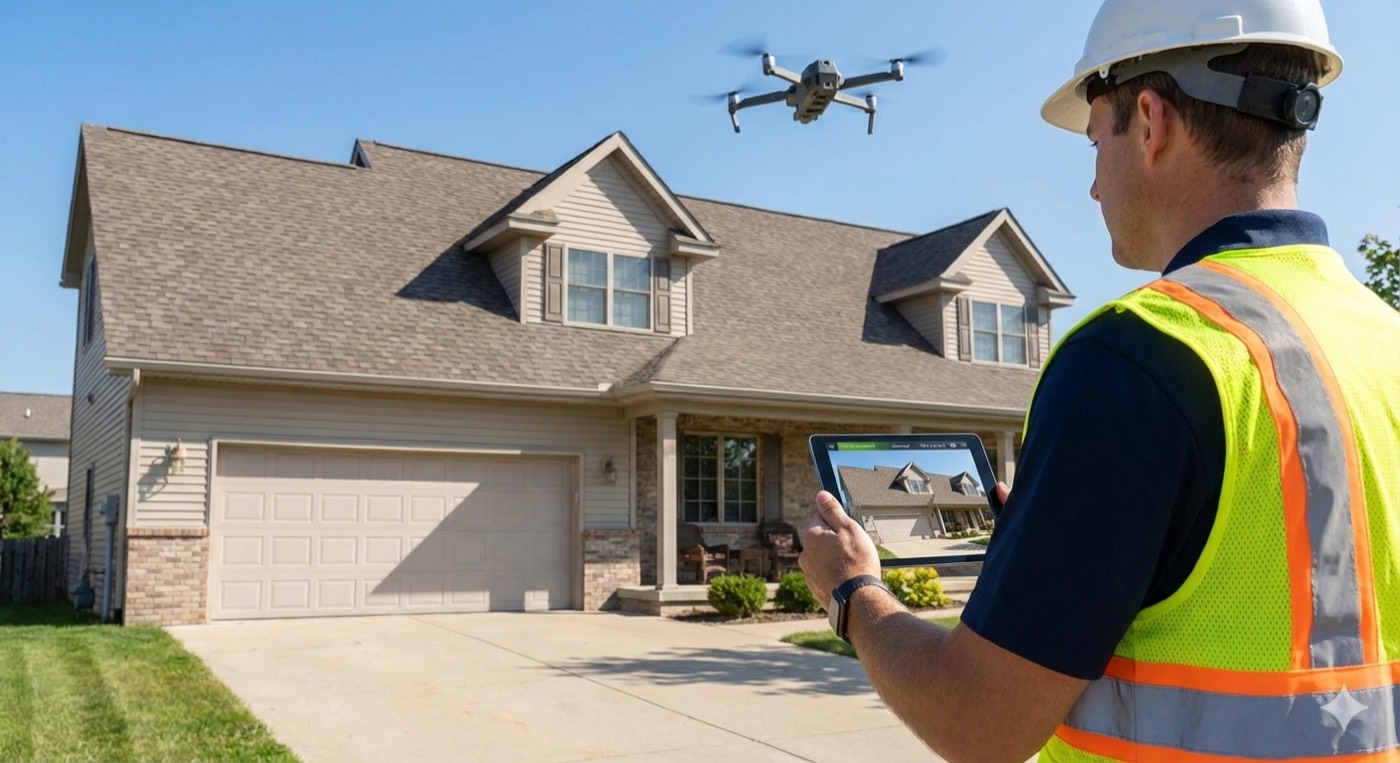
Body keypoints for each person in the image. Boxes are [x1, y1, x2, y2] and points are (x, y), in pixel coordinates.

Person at [799, 1, 1400, 760]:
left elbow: (977, 724)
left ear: (1150, 122)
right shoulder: (1384, 341)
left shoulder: (1138, 356)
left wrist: (853, 592)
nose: (1089, 187)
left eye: (1094, 140)